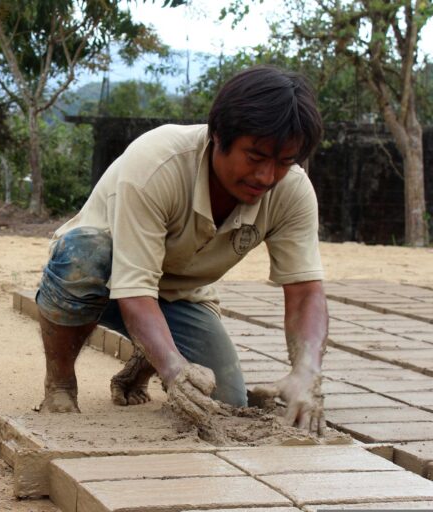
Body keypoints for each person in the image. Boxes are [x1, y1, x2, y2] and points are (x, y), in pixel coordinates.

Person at [35, 65, 328, 435]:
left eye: (284, 162)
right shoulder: (157, 163)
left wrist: (307, 372)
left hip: (180, 296)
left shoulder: (293, 191)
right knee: (83, 255)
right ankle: (60, 385)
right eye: (254, 157)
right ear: (218, 135)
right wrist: (174, 371)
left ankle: (149, 354)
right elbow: (136, 288)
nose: (266, 177)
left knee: (226, 400)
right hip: (105, 276)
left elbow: (305, 293)